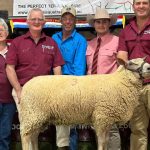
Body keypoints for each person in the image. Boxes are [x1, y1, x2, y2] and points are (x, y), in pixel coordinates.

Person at [6, 8, 64, 113]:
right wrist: (19, 90)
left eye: (40, 19)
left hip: (45, 91)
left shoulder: (51, 42)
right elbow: (10, 68)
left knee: (44, 125)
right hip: (23, 90)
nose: (36, 22)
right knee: (29, 126)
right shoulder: (17, 42)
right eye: (33, 19)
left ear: (44, 22)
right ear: (27, 21)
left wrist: (57, 89)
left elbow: (57, 67)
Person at [52, 6, 87, 150]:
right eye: (65, 19)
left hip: (71, 84)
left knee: (71, 123)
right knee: (59, 121)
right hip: (54, 83)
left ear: (75, 21)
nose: (68, 22)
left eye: (71, 19)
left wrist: (74, 88)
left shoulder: (80, 40)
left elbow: (79, 67)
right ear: (60, 21)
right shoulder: (54, 38)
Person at [117, 0, 150, 149]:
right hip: (134, 88)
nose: (141, 6)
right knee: (137, 129)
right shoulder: (126, 30)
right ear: (133, 6)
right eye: (138, 3)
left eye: (145, 3)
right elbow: (122, 57)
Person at [86, 8, 121, 150]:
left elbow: (122, 69)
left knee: (111, 128)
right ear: (94, 24)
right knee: (97, 127)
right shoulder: (89, 44)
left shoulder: (118, 41)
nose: (101, 24)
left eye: (104, 22)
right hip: (91, 91)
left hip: (109, 92)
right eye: (98, 22)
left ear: (109, 24)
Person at [0, 18, 16, 150]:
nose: (0, 32)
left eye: (2, 29)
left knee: (5, 135)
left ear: (7, 32)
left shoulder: (13, 50)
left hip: (9, 100)